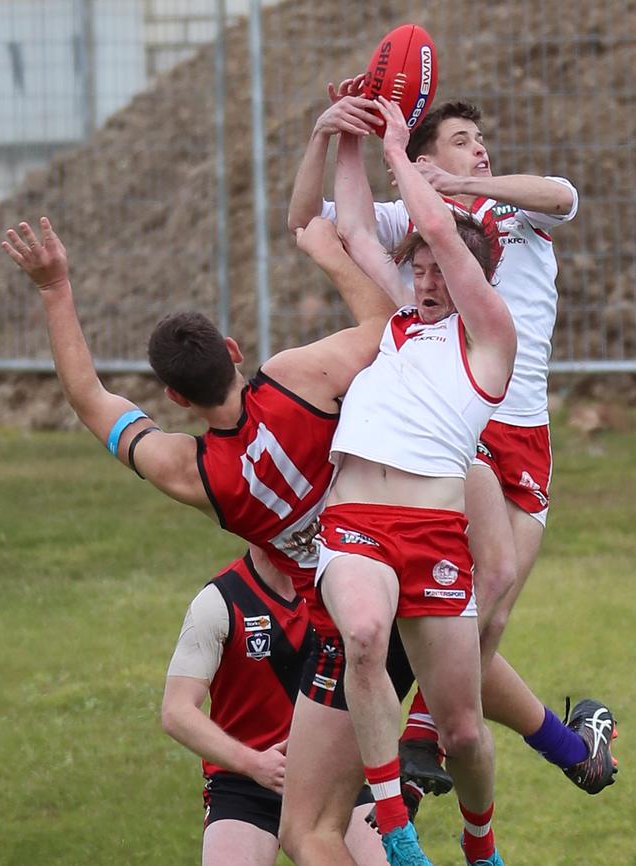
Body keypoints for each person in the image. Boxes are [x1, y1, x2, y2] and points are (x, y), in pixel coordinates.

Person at [1, 214, 403, 866]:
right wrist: (330, 251)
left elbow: (88, 398)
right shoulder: (302, 377)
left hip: (337, 619)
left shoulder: (193, 472)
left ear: (175, 398)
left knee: (310, 835)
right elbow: (388, 329)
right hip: (393, 575)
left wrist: (55, 289)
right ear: (235, 350)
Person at [288, 85, 618, 807]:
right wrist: (351, 135)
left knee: (486, 609)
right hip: (456, 427)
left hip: (524, 425)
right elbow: (337, 221)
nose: (480, 147)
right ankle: (414, 745)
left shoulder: (506, 205)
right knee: (481, 584)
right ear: (423, 157)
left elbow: (564, 193)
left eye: (479, 138)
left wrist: (463, 180)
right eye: (463, 140)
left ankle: (565, 746)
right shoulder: (416, 229)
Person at [311, 95, 516, 866]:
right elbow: (360, 230)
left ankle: (480, 843)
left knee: (462, 732)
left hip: (433, 535)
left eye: (441, 272)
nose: (426, 281)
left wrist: (404, 146)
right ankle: (396, 832)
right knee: (363, 634)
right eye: (419, 271)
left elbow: (437, 226)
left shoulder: (492, 337)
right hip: (357, 516)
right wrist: (352, 140)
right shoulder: (397, 323)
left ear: (475, 281)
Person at [161, 544, 382, 866]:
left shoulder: (337, 589)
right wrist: (253, 763)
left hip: (332, 782)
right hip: (243, 786)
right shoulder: (219, 601)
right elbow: (176, 711)